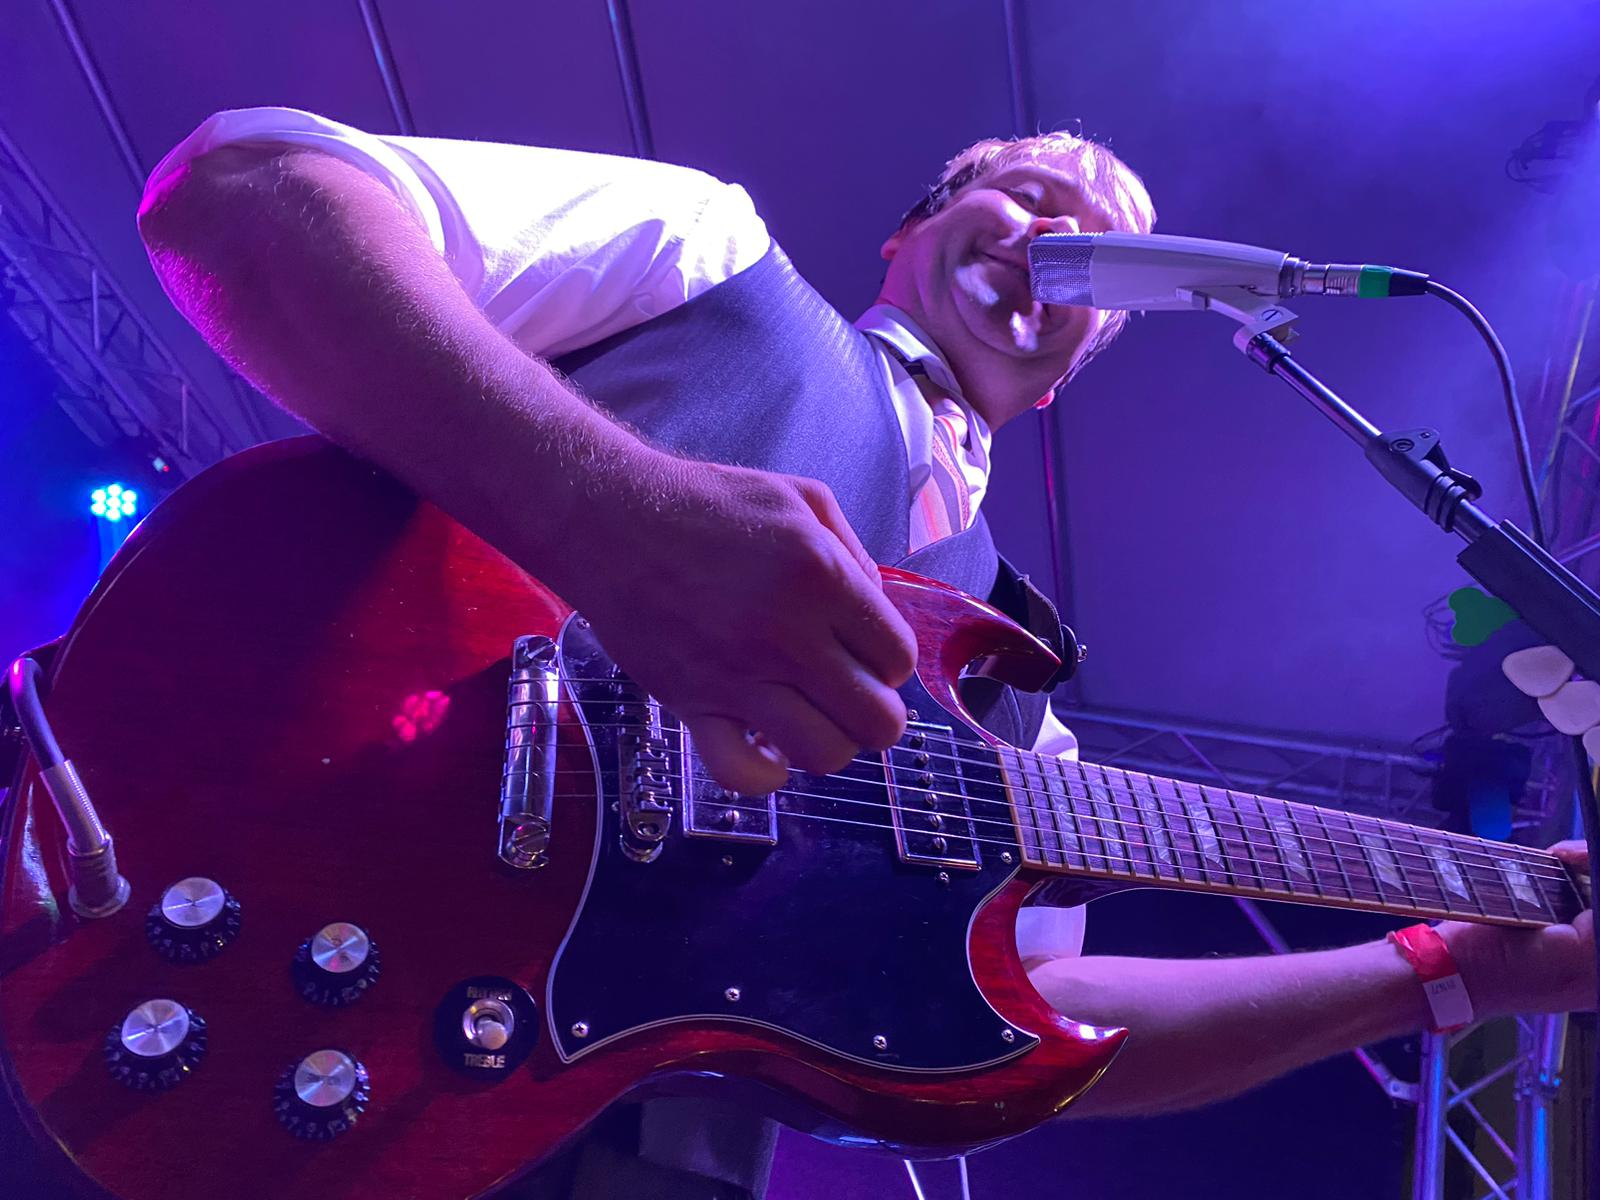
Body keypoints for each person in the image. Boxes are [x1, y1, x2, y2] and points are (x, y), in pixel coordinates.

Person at [136, 108, 1596, 1198]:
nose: (1050, 238)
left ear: (1075, 362)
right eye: (1024, 197)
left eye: (1097, 254)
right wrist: (606, 513)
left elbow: (1046, 1025)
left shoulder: (1012, 700)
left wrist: (1451, 970)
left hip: (604, 1150)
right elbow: (243, 193)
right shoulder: (712, 262)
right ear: (910, 233)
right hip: (260, 906)